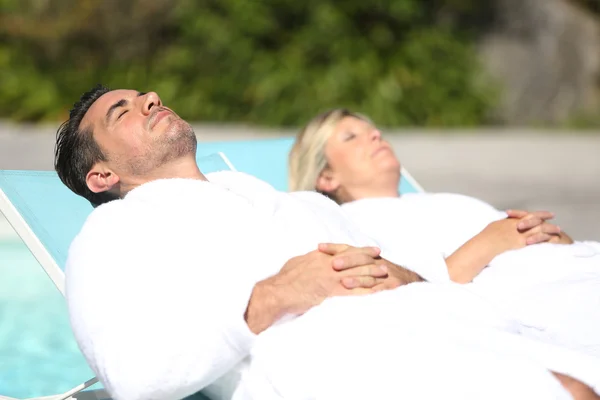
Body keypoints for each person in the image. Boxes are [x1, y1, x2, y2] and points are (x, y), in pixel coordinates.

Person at [56, 86, 600, 400]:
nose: (150, 97)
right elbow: (134, 374)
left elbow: (421, 275)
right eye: (121, 111)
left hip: (457, 328)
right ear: (101, 176)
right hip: (349, 370)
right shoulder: (115, 234)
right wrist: (273, 295)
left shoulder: (299, 206)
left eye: (143, 93)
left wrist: (403, 275)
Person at [289, 108, 600, 358]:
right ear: (326, 176)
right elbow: (411, 284)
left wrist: (552, 236)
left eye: (372, 130)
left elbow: (513, 235)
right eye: (351, 136)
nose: (375, 135)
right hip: (537, 302)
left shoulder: (441, 199)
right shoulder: (349, 223)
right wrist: (491, 240)